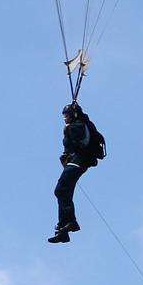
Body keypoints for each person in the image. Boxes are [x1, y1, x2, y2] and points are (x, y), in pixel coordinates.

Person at [48, 102, 104, 243]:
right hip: (78, 160)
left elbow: (78, 144)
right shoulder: (79, 125)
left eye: (66, 115)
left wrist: (68, 154)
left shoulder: (76, 126)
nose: (65, 119)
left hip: (79, 160)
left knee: (61, 190)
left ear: (73, 115)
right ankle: (63, 229)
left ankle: (71, 222)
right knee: (64, 192)